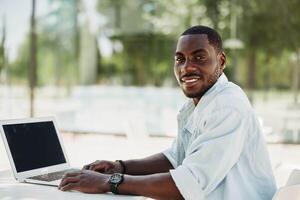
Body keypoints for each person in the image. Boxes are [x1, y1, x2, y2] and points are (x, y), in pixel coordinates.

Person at [59, 25, 277, 200]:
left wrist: (110, 182)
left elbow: (187, 184)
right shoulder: (197, 104)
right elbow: (175, 159)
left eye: (199, 57)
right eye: (180, 59)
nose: (187, 67)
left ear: (220, 61)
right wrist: (120, 166)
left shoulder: (227, 106)